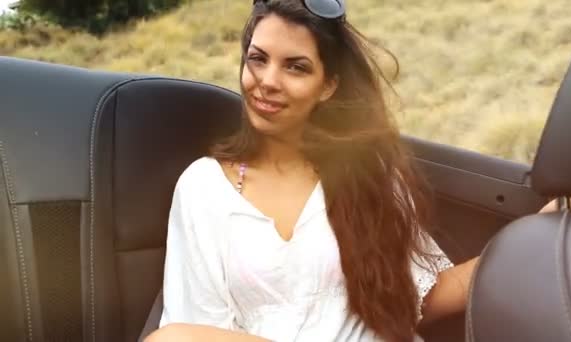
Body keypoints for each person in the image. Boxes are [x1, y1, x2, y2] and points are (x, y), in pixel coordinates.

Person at [145, 0, 478, 341]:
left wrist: (524, 242)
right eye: (258, 59)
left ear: (328, 86)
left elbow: (419, 296)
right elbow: (201, 330)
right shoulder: (204, 187)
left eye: (296, 67)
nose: (268, 81)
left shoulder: (367, 173)